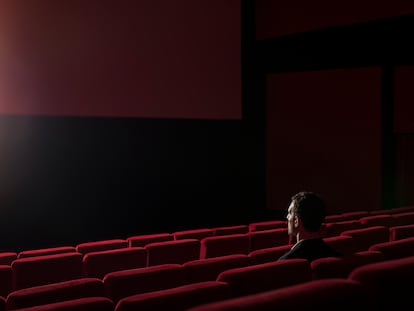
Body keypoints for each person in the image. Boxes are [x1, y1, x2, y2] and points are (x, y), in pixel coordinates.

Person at [278, 191, 341, 261]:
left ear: (296, 221)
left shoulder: (286, 262)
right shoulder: (336, 256)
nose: (287, 217)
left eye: (289, 213)